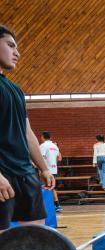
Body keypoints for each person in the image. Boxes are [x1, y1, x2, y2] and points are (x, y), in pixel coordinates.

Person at [0, 25, 55, 232]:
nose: (17, 53)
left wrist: (43, 168)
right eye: (10, 45)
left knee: (34, 238)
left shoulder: (16, 90)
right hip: (2, 172)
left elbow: (27, 131)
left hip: (24, 172)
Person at [40, 131, 63, 212]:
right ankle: (57, 205)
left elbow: (41, 158)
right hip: (54, 170)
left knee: (44, 187)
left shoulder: (43, 145)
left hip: (45, 170)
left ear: (42, 137)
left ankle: (46, 206)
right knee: (52, 188)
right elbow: (59, 158)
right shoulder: (55, 146)